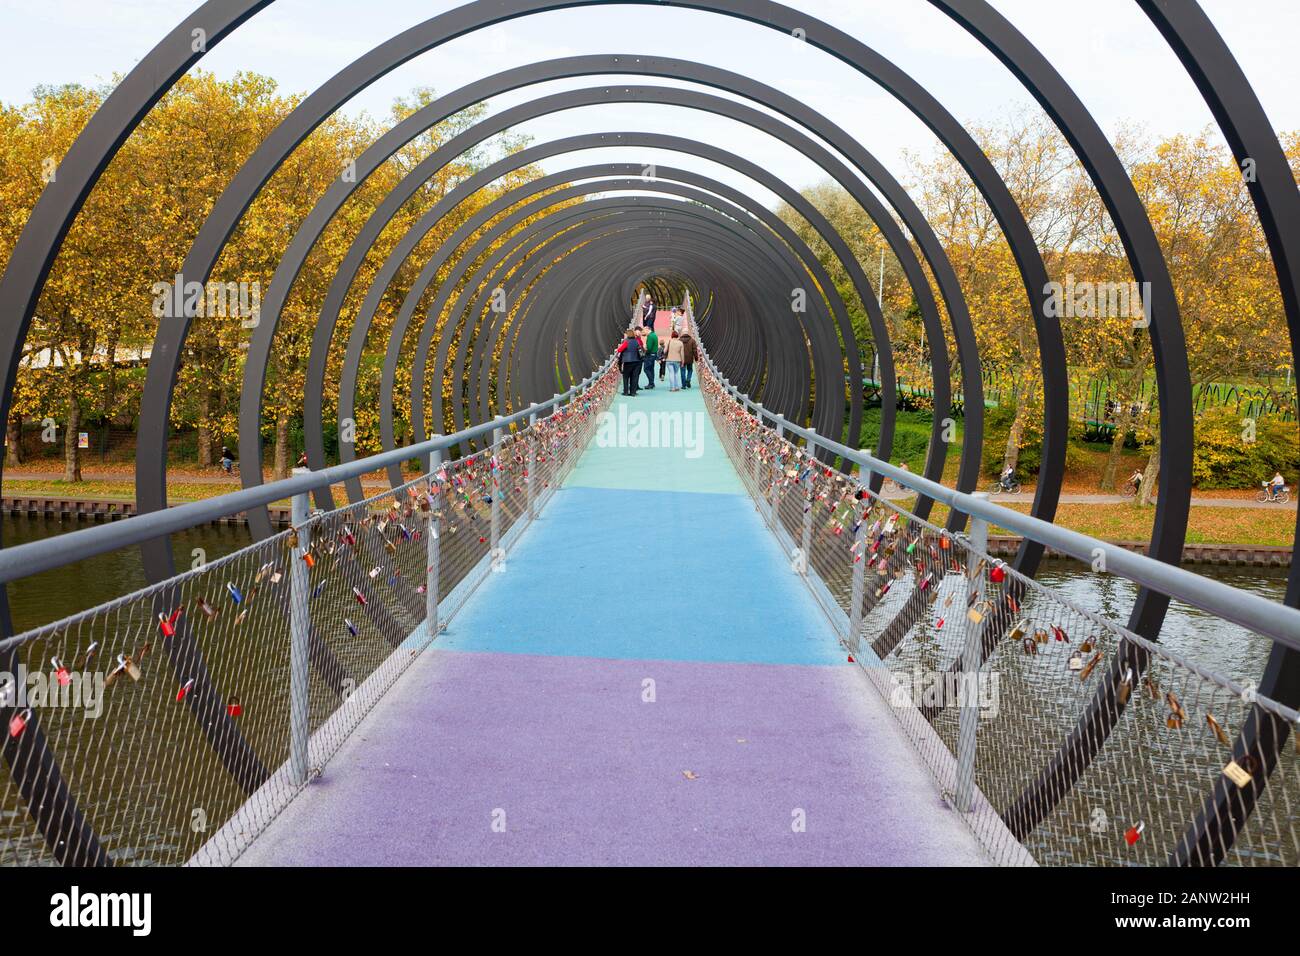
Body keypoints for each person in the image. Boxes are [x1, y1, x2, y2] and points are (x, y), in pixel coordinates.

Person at [618, 329, 643, 396]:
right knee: (634, 377)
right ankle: (633, 392)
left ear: (628, 334)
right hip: (637, 361)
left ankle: (626, 392)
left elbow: (619, 350)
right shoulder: (637, 341)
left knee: (626, 377)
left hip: (628, 361)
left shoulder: (626, 342)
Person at [642, 325, 659, 390]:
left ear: (647, 329)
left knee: (646, 369)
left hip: (649, 355)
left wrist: (644, 347)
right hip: (653, 354)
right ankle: (652, 383)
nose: (643, 331)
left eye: (644, 330)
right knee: (651, 369)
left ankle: (651, 383)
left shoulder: (650, 336)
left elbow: (648, 348)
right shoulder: (654, 334)